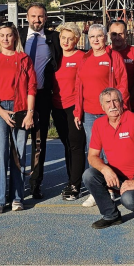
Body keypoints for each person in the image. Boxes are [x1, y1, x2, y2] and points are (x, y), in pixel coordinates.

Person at [82, 87, 134, 229]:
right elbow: (92, 156)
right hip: (118, 176)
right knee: (89, 175)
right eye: (107, 102)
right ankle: (111, 215)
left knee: (128, 199)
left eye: (115, 101)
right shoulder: (99, 124)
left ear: (121, 102)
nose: (112, 105)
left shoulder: (133, 119)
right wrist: (105, 169)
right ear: (102, 106)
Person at [0, 23, 36, 214]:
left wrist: (29, 113)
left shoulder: (24, 59)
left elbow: (31, 88)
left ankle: (17, 198)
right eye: (2, 35)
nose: (5, 39)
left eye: (9, 35)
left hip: (20, 109)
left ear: (15, 38)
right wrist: (2, 112)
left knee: (19, 155)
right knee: (0, 155)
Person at [73, 23, 128, 207]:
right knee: (93, 152)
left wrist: (117, 108)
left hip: (109, 114)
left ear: (106, 38)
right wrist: (77, 111)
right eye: (92, 37)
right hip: (89, 113)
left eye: (99, 36)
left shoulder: (114, 57)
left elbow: (122, 84)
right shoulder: (85, 58)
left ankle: (112, 189)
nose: (96, 40)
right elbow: (79, 86)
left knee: (110, 151)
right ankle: (95, 191)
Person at [19, 3, 62, 199]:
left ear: (46, 18)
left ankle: (35, 183)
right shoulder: (16, 36)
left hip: (42, 96)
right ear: (27, 17)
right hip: (18, 97)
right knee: (17, 142)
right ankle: (17, 182)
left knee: (39, 142)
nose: (37, 20)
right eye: (33, 16)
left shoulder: (54, 38)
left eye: (41, 17)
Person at [51, 22, 87, 200]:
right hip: (57, 107)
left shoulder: (81, 57)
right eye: (63, 38)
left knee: (76, 146)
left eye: (70, 38)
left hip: (74, 107)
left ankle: (75, 186)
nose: (66, 41)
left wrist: (79, 110)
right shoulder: (55, 56)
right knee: (67, 145)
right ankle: (70, 180)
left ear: (77, 40)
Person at [109, 20, 134, 116]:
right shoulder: (106, 53)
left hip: (131, 103)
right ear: (109, 35)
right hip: (110, 104)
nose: (117, 38)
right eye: (114, 34)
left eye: (120, 34)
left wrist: (127, 98)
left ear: (126, 34)